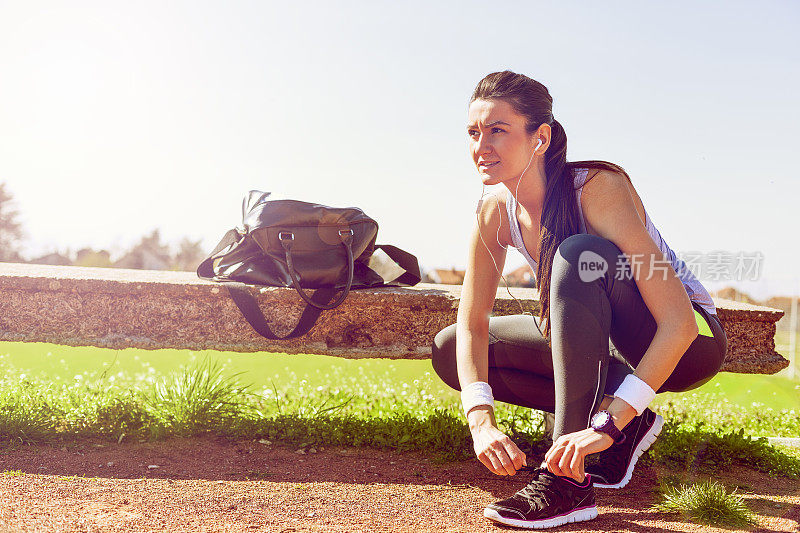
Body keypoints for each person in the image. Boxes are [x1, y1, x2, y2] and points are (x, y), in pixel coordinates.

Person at [430, 70, 728, 529]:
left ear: (540, 138)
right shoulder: (493, 211)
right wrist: (480, 421)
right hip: (612, 350)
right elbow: (472, 323)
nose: (481, 146)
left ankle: (568, 481)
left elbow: (679, 324)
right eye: (473, 132)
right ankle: (629, 427)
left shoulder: (595, 188)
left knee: (579, 255)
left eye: (498, 131)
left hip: (689, 341)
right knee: (451, 348)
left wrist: (607, 423)